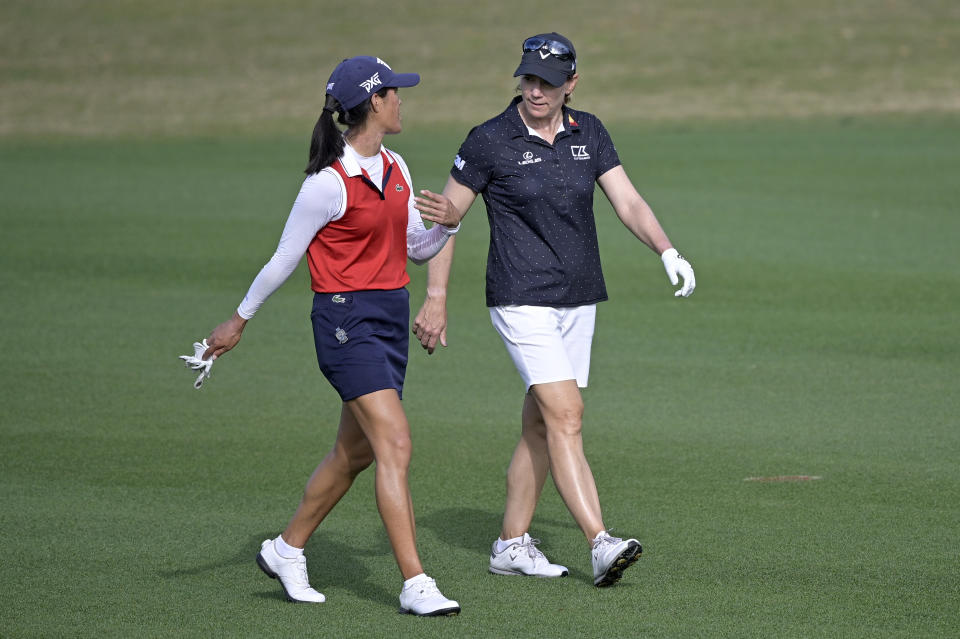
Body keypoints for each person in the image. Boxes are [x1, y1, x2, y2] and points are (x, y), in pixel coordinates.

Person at [411, 33, 696, 587]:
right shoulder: (490, 140)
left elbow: (629, 201)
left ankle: (510, 544)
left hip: (578, 297)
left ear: (571, 83)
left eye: (547, 80)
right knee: (567, 415)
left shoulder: (590, 131)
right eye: (528, 78)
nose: (535, 89)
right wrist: (436, 297)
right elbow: (445, 223)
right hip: (521, 299)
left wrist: (667, 250)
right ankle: (599, 540)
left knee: (541, 424)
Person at [198, 56, 464, 616]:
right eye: (395, 92)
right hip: (346, 324)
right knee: (395, 442)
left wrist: (449, 225)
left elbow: (415, 249)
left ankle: (285, 548)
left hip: (390, 320)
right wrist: (238, 319)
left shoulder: (398, 166)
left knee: (356, 452)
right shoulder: (327, 184)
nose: (401, 100)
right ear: (375, 103)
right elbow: (283, 259)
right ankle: (416, 582)